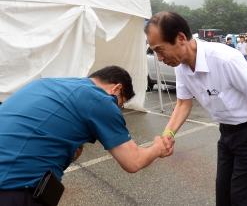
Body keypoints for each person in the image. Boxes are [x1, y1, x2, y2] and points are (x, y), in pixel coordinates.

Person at [144, 11, 247, 206]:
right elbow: (183, 103)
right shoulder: (181, 67)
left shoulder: (224, 59)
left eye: (160, 49)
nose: (159, 58)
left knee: (241, 200)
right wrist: (168, 133)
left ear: (181, 38)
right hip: (227, 132)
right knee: (223, 196)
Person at [0, 66, 172, 205]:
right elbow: (133, 161)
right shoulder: (100, 99)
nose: (117, 109)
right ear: (117, 88)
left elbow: (32, 130)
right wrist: (158, 147)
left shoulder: (45, 84)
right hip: (13, 188)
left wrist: (64, 153)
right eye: (120, 104)